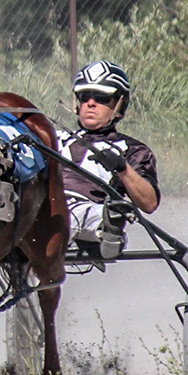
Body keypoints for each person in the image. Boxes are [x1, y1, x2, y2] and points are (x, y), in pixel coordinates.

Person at [56, 60, 159, 261]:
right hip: (44, 204)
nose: (91, 103)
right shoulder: (53, 138)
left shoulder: (132, 150)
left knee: (61, 217)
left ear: (120, 104)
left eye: (102, 97)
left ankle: (110, 223)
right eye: (85, 97)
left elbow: (149, 203)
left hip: (87, 212)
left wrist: (122, 167)